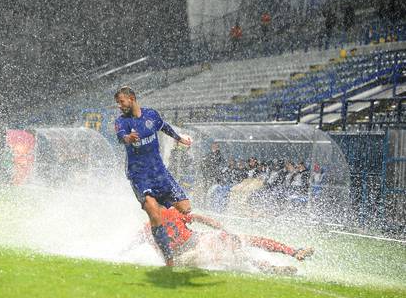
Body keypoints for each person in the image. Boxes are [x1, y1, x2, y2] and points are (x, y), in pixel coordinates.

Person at [114, 86, 192, 266]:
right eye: (118, 103)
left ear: (132, 98)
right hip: (139, 175)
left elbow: (164, 127)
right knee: (154, 214)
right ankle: (169, 259)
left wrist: (180, 139)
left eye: (121, 101)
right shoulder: (122, 122)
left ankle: (177, 236)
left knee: (185, 208)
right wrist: (128, 139)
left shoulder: (151, 115)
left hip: (159, 172)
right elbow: (120, 137)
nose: (119, 106)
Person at [141, 207, 314, 274]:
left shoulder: (162, 218)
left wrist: (221, 228)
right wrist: (224, 230)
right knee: (233, 249)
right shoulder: (155, 223)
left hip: (193, 248)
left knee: (237, 246)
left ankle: (288, 255)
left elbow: (199, 218)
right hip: (189, 252)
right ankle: (277, 263)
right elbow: (204, 219)